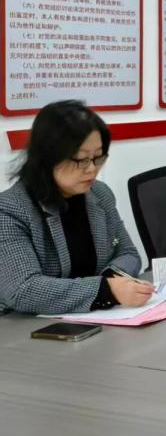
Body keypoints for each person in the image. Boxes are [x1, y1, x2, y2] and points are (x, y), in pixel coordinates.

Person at [0, 101, 152, 315]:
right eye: (81, 159)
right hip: (24, 326)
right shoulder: (10, 210)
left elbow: (128, 253)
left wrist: (112, 280)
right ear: (48, 157)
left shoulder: (99, 194)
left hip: (94, 319)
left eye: (98, 157)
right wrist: (105, 290)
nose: (92, 169)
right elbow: (24, 289)